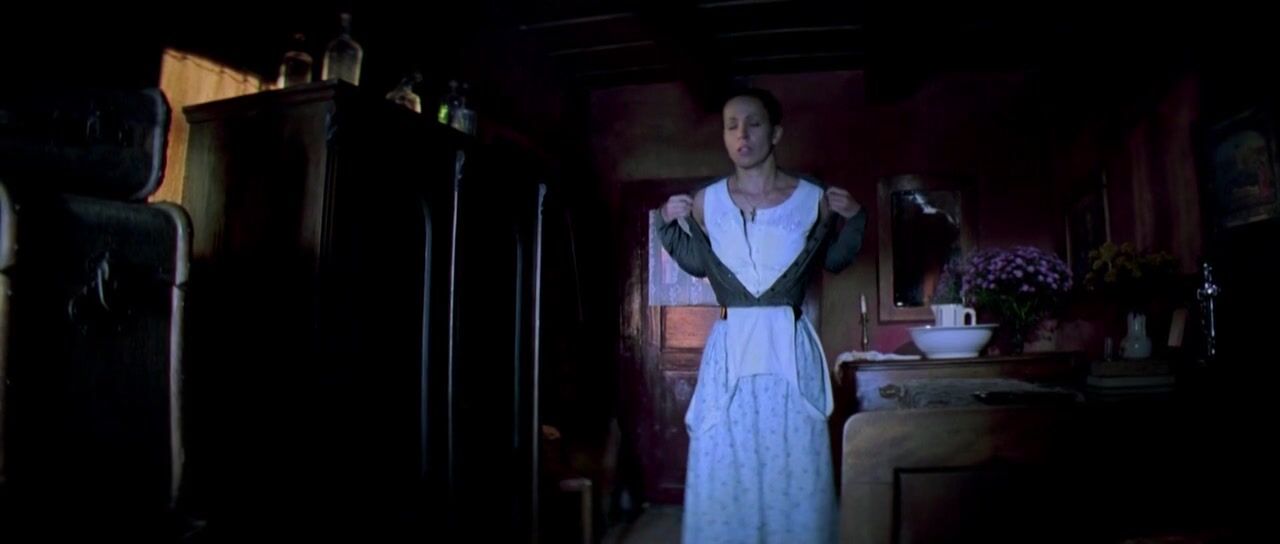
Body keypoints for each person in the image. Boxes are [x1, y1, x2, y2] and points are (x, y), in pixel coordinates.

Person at [657, 87, 866, 543]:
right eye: (731, 126)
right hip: (731, 348)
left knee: (794, 455)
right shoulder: (705, 202)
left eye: (753, 124)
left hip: (787, 348)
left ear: (775, 133)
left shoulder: (812, 198)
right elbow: (697, 263)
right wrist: (665, 224)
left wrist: (854, 218)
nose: (742, 135)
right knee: (723, 455)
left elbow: (835, 259)